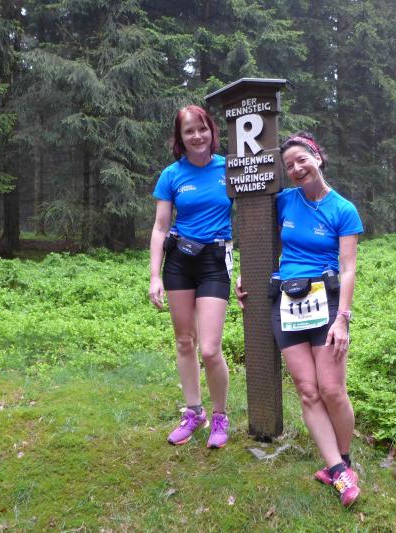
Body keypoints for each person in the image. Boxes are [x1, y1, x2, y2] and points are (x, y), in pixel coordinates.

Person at [236, 132, 364, 506]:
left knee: (332, 390)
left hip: (327, 302)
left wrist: (343, 319)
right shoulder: (284, 202)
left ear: (317, 158)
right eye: (289, 165)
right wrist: (248, 273)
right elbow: (259, 239)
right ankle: (337, 470)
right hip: (287, 302)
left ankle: (343, 461)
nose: (296, 169)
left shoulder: (344, 209)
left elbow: (349, 267)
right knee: (308, 391)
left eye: (301, 160)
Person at [149, 104, 233, 449]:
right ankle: (194, 412)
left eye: (202, 128)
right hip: (179, 262)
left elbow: (255, 213)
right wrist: (154, 276)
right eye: (188, 131)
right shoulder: (171, 175)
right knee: (185, 342)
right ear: (180, 138)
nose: (197, 136)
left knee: (210, 349)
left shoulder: (230, 168)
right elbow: (160, 227)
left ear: (212, 131)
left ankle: (220, 416)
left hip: (215, 261)